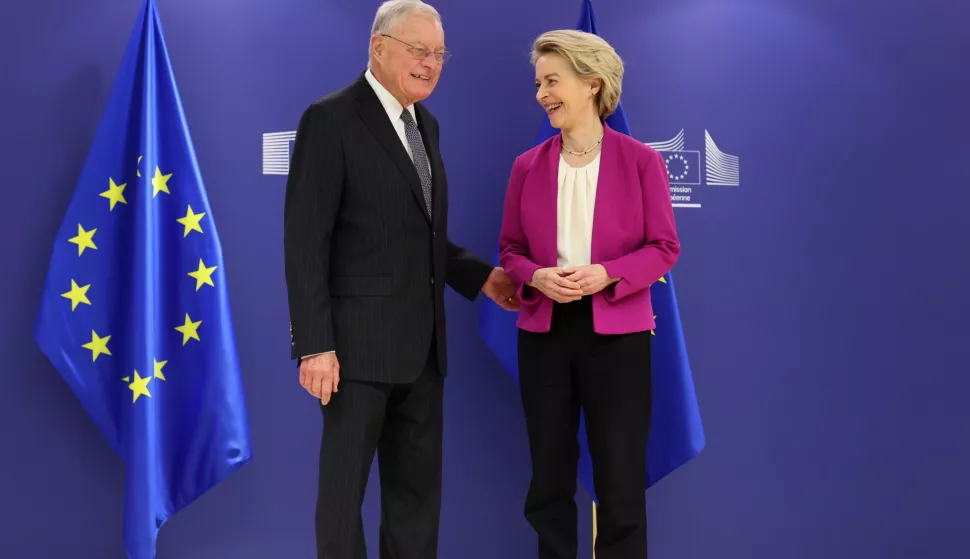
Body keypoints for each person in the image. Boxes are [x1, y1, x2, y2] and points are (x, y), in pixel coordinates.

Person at [283, 1, 518, 557]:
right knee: (342, 500)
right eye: (419, 50)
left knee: (416, 502)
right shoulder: (330, 118)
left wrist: (483, 277)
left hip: (424, 353)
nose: (431, 63)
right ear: (379, 47)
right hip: (355, 354)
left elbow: (421, 236)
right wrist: (315, 345)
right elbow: (306, 241)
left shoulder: (425, 125)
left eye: (439, 54)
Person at [498, 29, 681, 559]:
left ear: (592, 83)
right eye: (538, 83)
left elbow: (664, 247)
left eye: (552, 81)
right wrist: (536, 277)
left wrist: (609, 274)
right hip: (544, 336)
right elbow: (510, 250)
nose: (542, 94)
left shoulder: (642, 161)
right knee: (549, 479)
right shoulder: (526, 165)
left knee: (621, 480)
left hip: (619, 337)